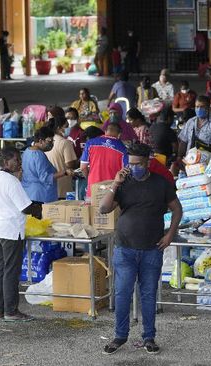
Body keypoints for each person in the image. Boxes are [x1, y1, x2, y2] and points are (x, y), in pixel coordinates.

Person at [99, 143, 182, 355]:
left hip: (152, 249)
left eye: (137, 163)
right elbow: (104, 208)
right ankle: (120, 336)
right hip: (125, 248)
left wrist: (170, 234)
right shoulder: (123, 182)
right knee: (122, 293)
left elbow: (176, 209)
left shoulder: (161, 183)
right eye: (130, 163)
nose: (132, 167)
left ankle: (149, 337)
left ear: (147, 163)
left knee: (148, 294)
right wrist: (115, 184)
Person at [0, 147, 42, 322]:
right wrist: (39, 210)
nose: (19, 163)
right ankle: (11, 311)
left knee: (1, 269)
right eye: (16, 160)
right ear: (5, 162)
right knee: (10, 271)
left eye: (19, 159)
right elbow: (25, 207)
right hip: (10, 230)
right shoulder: (11, 181)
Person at [81, 123, 128, 197]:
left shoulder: (90, 143)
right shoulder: (123, 149)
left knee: (93, 208)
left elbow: (83, 167)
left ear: (105, 131)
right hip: (112, 191)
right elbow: (125, 172)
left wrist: (89, 179)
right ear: (119, 135)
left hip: (93, 188)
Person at [22, 127, 66, 204]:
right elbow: (45, 178)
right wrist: (64, 173)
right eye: (49, 141)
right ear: (40, 141)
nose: (51, 144)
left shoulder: (27, 151)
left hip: (28, 193)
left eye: (53, 141)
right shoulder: (39, 155)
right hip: (40, 196)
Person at [45, 118, 77, 199]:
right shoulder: (65, 143)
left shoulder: (46, 141)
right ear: (59, 128)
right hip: (63, 187)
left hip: (49, 187)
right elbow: (69, 164)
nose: (68, 128)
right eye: (66, 126)